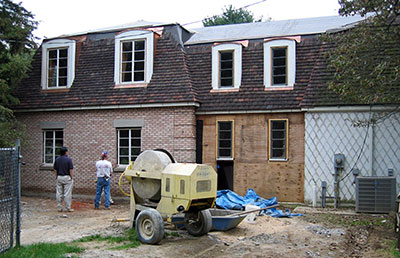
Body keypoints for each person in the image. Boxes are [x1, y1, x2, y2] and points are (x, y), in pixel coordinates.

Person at [53, 146, 74, 212]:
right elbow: (70, 169)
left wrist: (56, 176)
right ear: (65, 152)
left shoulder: (57, 159)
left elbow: (55, 169)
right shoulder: (69, 160)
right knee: (67, 193)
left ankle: (59, 207)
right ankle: (68, 207)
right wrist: (71, 177)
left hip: (59, 176)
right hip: (67, 176)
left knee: (59, 193)